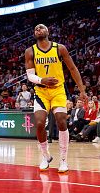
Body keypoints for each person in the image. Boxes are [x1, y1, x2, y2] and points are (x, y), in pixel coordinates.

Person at [25, 24, 87, 173]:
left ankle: (64, 160)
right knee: (39, 123)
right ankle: (45, 155)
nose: (38, 29)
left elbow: (72, 68)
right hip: (41, 91)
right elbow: (30, 75)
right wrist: (42, 80)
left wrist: (82, 89)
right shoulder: (30, 51)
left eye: (41, 27)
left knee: (61, 120)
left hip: (58, 90)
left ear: (48, 32)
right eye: (36, 29)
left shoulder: (60, 48)